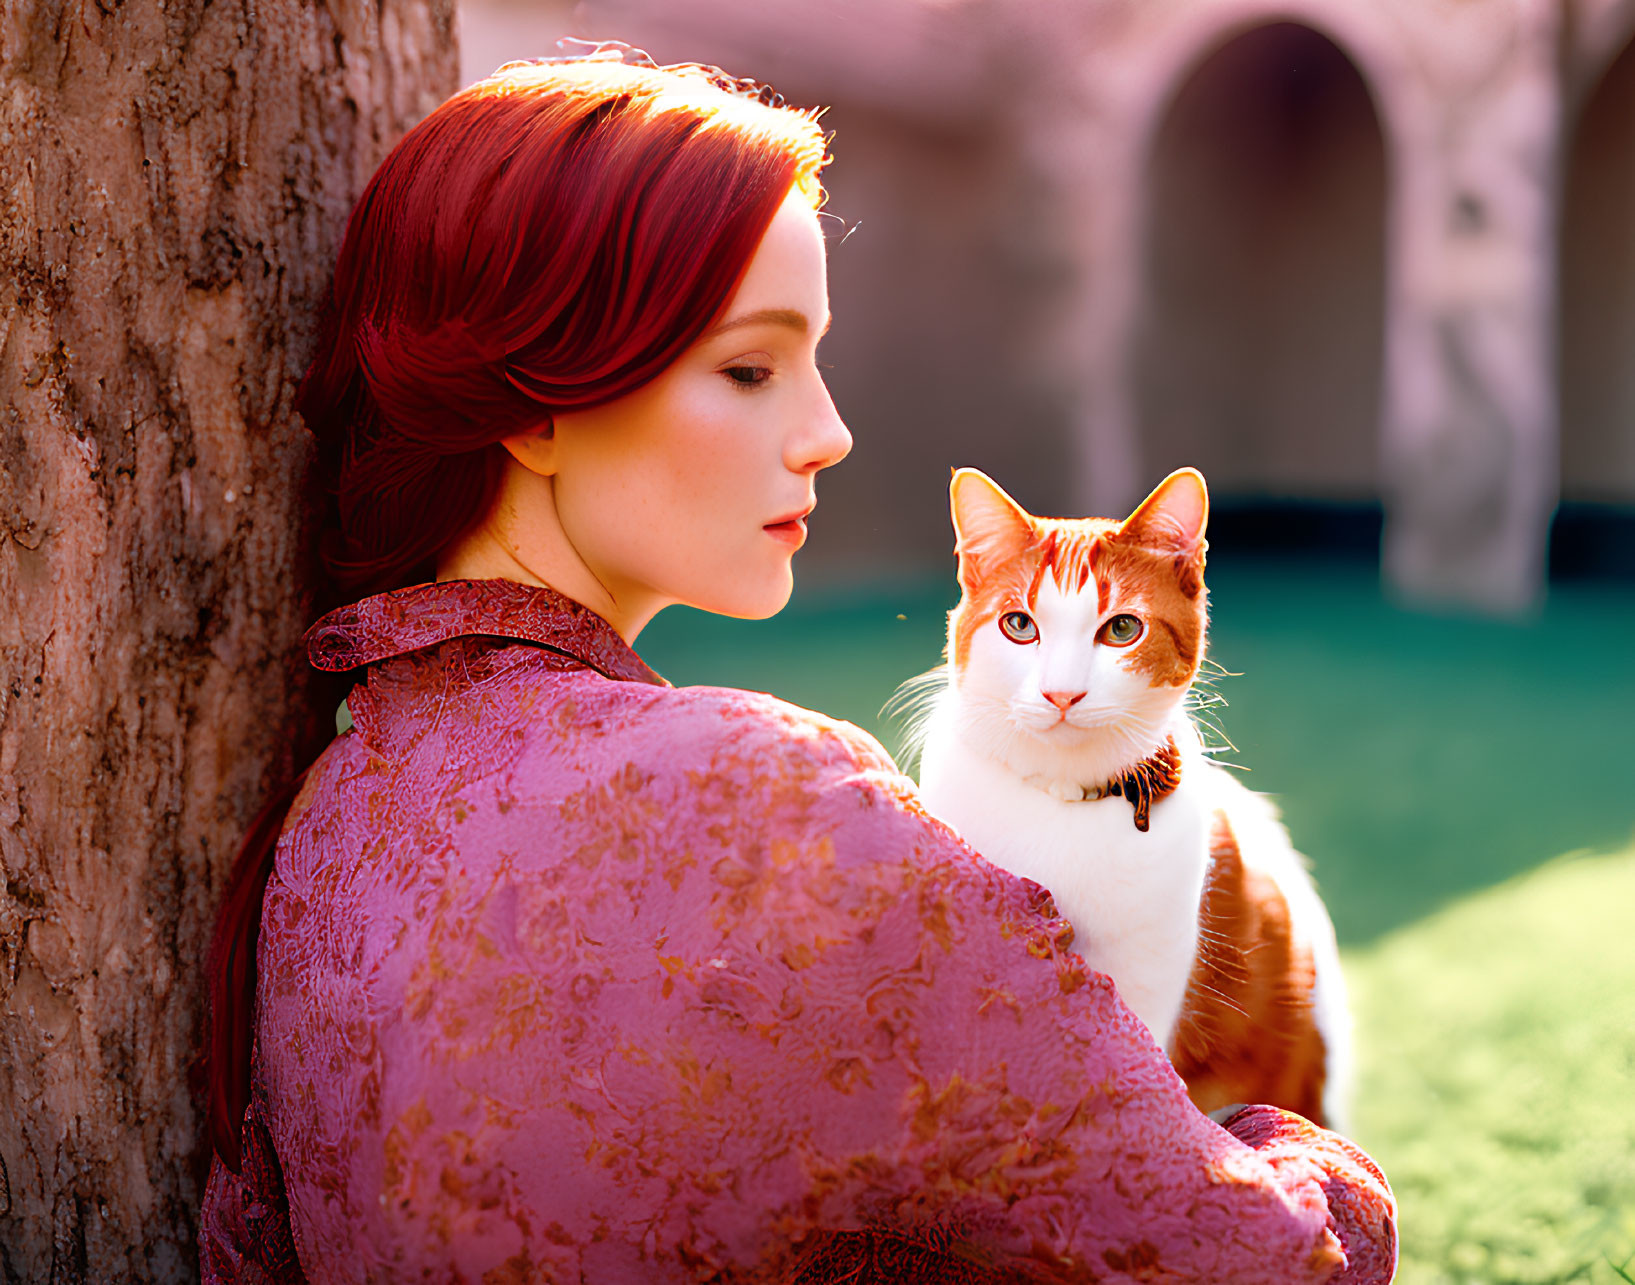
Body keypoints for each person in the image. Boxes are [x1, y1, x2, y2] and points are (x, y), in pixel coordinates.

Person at [197, 43, 1397, 1283]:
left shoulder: (325, 823)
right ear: (538, 409)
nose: (828, 433)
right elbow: (1263, 1256)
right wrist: (1298, 1155)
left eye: (815, 358)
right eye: (752, 368)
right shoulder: (766, 802)